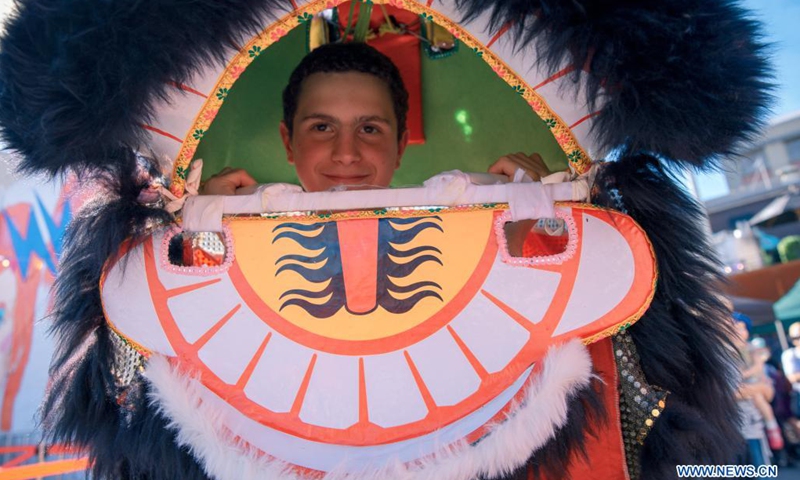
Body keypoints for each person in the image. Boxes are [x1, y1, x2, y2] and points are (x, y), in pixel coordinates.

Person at [201, 42, 554, 196]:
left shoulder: (478, 227)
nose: (347, 153)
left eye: (369, 129)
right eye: (322, 127)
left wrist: (533, 215)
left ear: (400, 145)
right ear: (288, 142)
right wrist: (205, 225)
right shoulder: (230, 228)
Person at [733, 311, 785, 454]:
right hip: (742, 421)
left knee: (761, 400)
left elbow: (758, 367)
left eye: (742, 328)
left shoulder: (751, 348)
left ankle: (772, 426)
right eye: (735, 328)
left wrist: (745, 375)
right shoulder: (728, 352)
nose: (739, 332)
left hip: (754, 382)